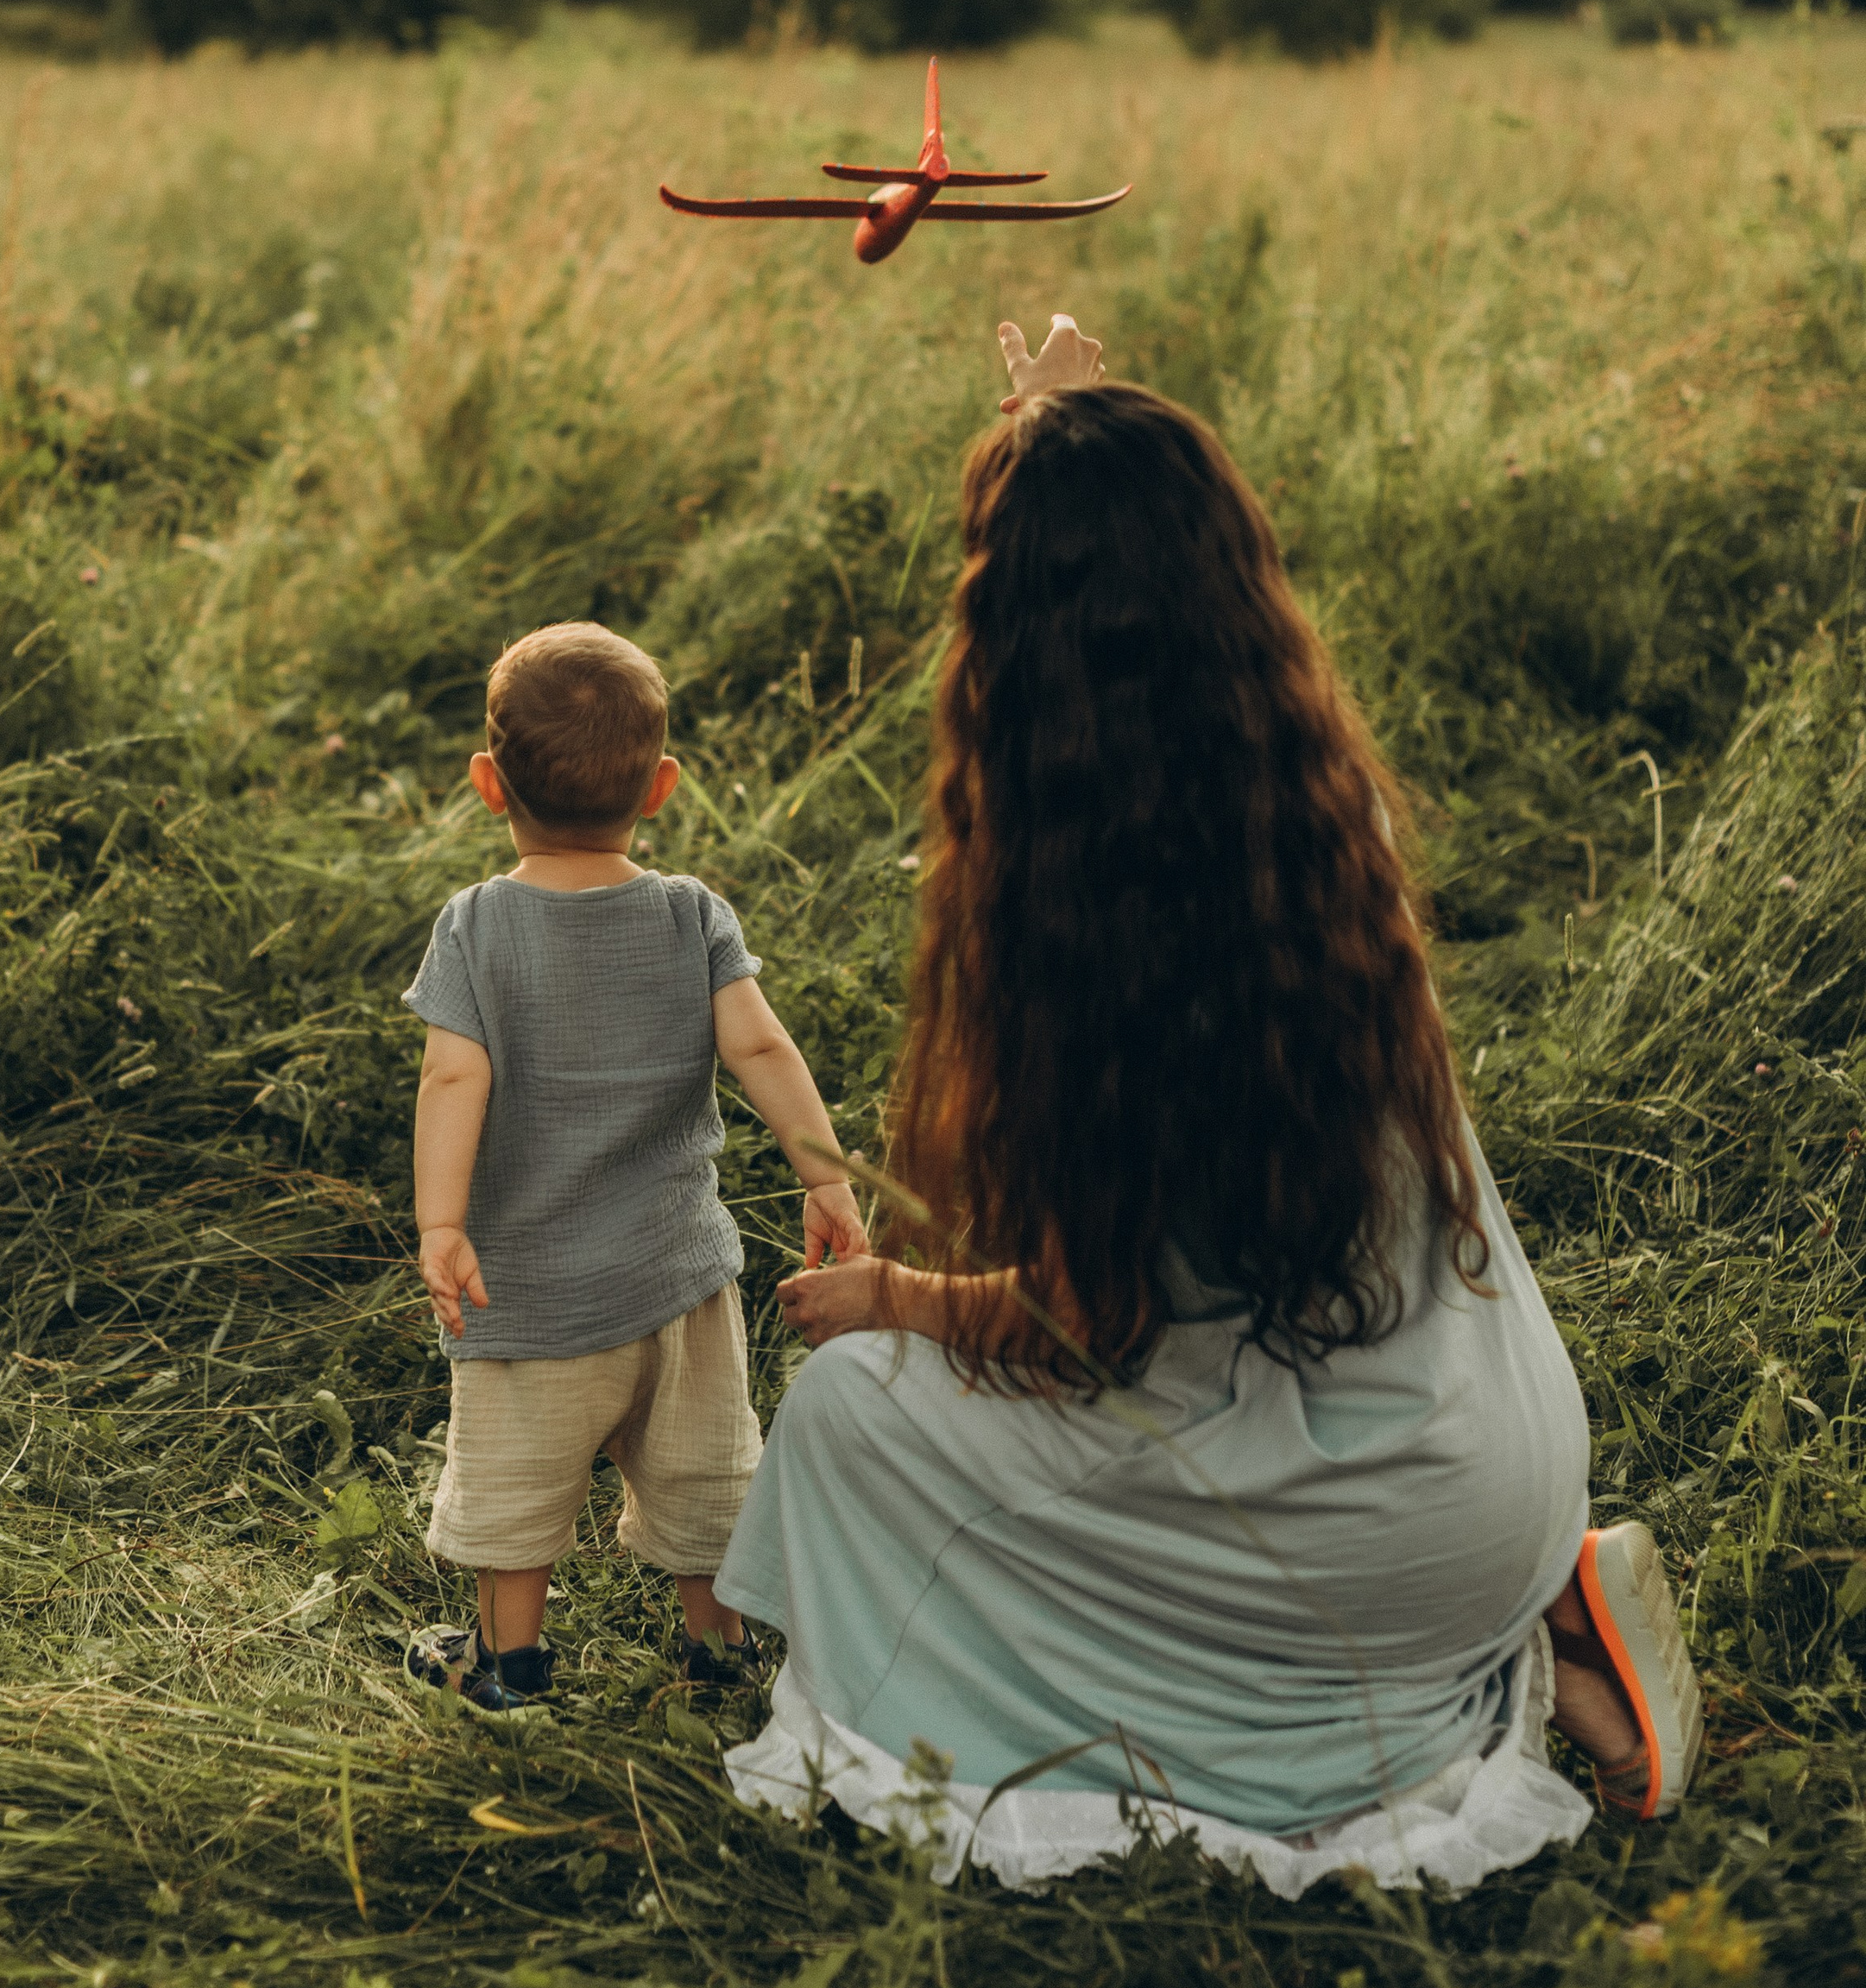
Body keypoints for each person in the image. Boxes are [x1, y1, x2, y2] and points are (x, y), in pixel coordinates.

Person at [717, 317, 1703, 1893]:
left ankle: (1383, 1704)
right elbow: (1145, 566)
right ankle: (1524, 1645)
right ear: (1238, 585)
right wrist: (1075, 417)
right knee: (1207, 1432)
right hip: (1495, 1458)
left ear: (1006, 642)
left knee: (848, 1420)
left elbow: (1086, 1334)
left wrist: (896, 1297)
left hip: (1353, 1541)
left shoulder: (1070, 933)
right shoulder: (1328, 821)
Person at [400, 620, 865, 1712]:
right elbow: (761, 1045)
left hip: (532, 1285)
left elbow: (451, 1085)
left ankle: (511, 1664)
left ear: (485, 784)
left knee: (517, 1486)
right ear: (659, 787)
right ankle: (718, 1650)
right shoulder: (689, 913)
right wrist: (828, 1177)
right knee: (703, 1473)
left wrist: (440, 1225)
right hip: (677, 1282)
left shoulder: (474, 928)